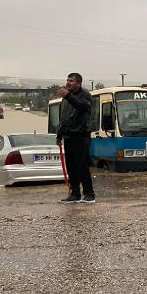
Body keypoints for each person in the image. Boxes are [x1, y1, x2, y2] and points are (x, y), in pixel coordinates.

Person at [56, 72, 95, 203]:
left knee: (82, 166)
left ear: (78, 83)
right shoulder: (65, 98)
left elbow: (83, 107)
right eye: (67, 80)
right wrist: (59, 135)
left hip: (81, 135)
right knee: (71, 166)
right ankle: (75, 194)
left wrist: (68, 95)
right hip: (68, 136)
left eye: (71, 81)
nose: (68, 83)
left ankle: (89, 194)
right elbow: (64, 118)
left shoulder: (85, 95)